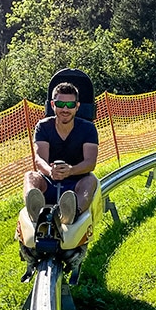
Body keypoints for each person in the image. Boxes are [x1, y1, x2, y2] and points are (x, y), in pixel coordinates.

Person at [23, 81, 99, 225]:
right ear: (53, 105)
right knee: (30, 176)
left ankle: (72, 211)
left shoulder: (88, 128)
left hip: (76, 181)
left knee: (90, 180)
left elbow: (90, 162)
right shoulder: (43, 126)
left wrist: (71, 171)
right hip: (49, 180)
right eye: (60, 104)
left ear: (77, 107)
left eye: (70, 105)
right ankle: (34, 210)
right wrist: (50, 171)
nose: (65, 109)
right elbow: (39, 159)